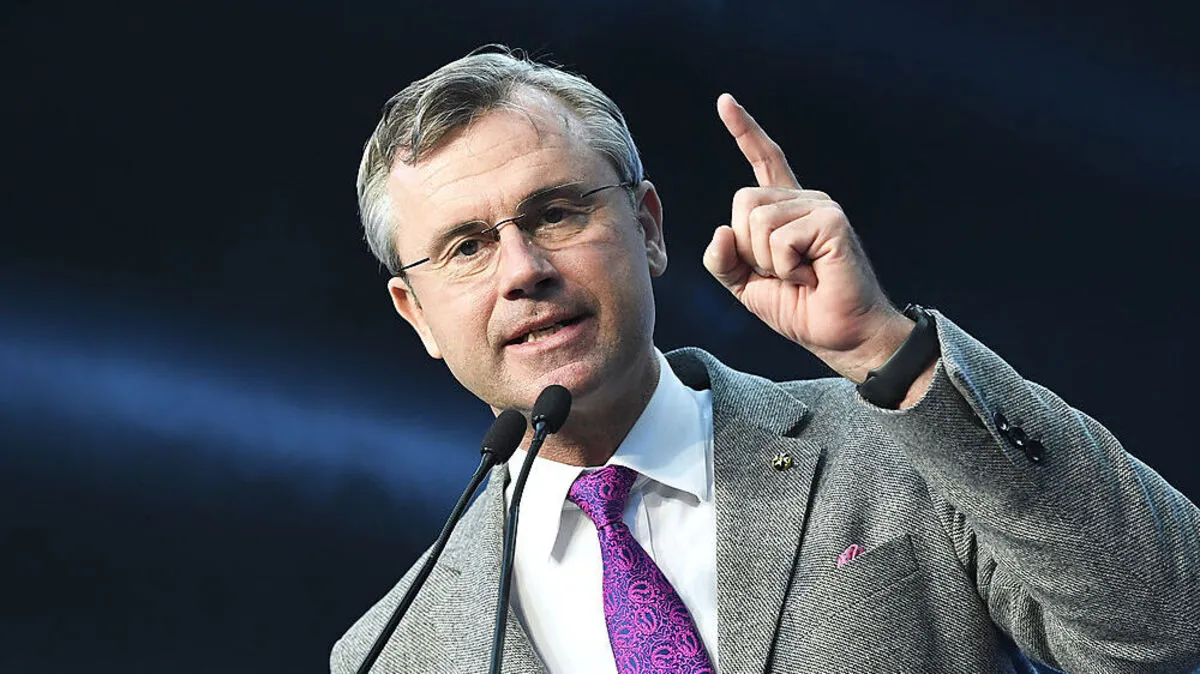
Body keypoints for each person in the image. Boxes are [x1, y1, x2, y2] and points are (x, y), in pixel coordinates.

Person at [330, 46, 1200, 674]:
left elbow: (1170, 623)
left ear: (649, 228)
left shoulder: (900, 439)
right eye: (467, 247)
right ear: (417, 314)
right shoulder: (393, 652)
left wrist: (884, 349)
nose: (523, 270)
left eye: (556, 213)